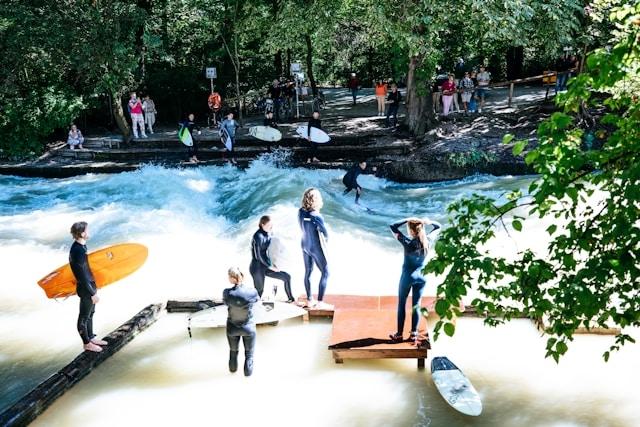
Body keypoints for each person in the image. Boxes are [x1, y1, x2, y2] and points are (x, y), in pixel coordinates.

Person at [389, 217, 441, 344]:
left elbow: (392, 226)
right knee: (416, 305)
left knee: (402, 304)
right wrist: (428, 222)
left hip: (408, 276)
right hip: (422, 277)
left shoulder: (407, 242)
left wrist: (407, 219)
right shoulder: (428, 240)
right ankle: (414, 334)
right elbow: (438, 226)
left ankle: (399, 335)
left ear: (412, 231)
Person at [69, 221, 108, 353]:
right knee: (84, 317)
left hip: (90, 285)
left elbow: (87, 271)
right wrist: (92, 293)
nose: (89, 232)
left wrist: (96, 284)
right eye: (87, 230)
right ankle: (86, 343)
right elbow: (82, 276)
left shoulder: (82, 247)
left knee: (91, 314)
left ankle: (91, 337)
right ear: (82, 233)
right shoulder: (77, 251)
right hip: (86, 289)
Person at [223, 267, 259, 377]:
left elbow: (226, 303)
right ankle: (247, 380)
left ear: (231, 278)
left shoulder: (227, 292)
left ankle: (232, 373)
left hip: (232, 328)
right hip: (248, 328)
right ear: (242, 277)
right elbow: (257, 301)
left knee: (233, 352)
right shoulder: (252, 292)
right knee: (249, 355)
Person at [298, 188, 331, 309]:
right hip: (315, 247)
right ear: (316, 200)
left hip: (304, 245)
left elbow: (302, 226)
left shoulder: (300, 212)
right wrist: (326, 242)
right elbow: (325, 233)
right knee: (326, 272)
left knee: (308, 272)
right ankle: (320, 303)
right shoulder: (317, 216)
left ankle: (309, 300)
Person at [250, 215, 294, 302]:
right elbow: (258, 256)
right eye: (269, 226)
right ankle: (251, 308)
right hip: (257, 267)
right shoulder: (258, 236)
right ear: (262, 224)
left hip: (265, 265)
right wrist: (270, 266)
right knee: (259, 292)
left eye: (272, 225)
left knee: (287, 277)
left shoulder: (268, 233)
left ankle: (291, 300)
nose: (271, 227)